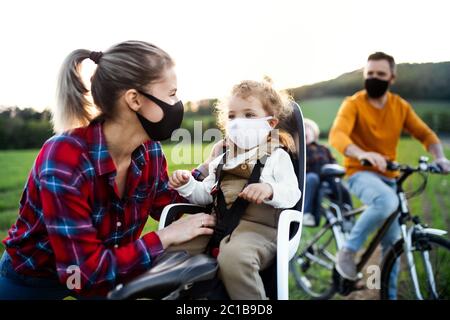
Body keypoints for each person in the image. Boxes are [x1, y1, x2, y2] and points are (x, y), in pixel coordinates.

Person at [0, 40, 217, 299]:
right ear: (135, 99)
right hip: (35, 276)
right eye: (171, 94)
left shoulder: (150, 151)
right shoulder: (64, 159)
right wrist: (163, 238)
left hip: (110, 269)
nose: (177, 103)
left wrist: (207, 171)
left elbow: (164, 203)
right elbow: (81, 275)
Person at [329, 51, 450, 299]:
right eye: (369, 73)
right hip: (359, 172)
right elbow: (337, 135)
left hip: (389, 176)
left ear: (392, 77)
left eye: (380, 74)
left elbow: (426, 134)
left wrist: (439, 157)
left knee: (392, 247)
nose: (374, 78)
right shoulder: (353, 104)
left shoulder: (399, 106)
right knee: (386, 201)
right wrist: (362, 153)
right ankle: (348, 252)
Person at [168, 80, 301, 299]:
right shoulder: (222, 160)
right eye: (232, 116)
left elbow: (292, 193)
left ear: (271, 122)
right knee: (176, 247)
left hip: (260, 230)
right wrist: (188, 185)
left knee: (234, 258)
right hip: (220, 225)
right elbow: (204, 195)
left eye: (249, 115)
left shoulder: (277, 156)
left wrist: (269, 189)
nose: (239, 122)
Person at [302, 118, 337, 227]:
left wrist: (335, 168)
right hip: (310, 177)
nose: (305, 131)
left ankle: (344, 211)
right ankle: (306, 214)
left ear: (314, 133)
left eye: (308, 128)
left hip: (327, 176)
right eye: (303, 129)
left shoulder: (323, 148)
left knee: (339, 183)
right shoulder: (301, 149)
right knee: (312, 178)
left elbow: (333, 161)